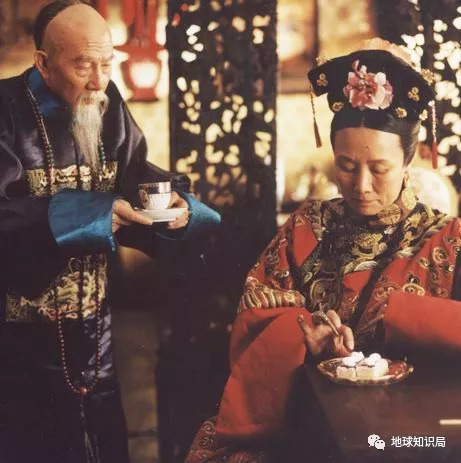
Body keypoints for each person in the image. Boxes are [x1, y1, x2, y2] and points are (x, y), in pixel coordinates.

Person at [186, 39, 461, 462]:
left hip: (410, 436)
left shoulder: (449, 240)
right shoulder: (305, 227)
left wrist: (401, 317)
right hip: (301, 424)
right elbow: (252, 320)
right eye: (346, 166)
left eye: (380, 169)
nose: (361, 186)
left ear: (410, 160)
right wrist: (303, 340)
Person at [0, 1, 220, 462]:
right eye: (83, 65)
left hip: (96, 332)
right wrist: (94, 214)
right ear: (43, 62)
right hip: (18, 339)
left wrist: (174, 204)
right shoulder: (6, 110)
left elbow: (132, 173)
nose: (99, 80)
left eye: (107, 63)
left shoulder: (106, 101)